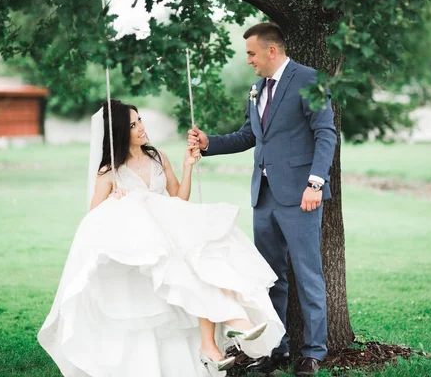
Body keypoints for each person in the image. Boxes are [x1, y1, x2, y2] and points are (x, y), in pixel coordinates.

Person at [37, 100, 284, 377]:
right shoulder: (110, 172)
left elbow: (179, 197)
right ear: (119, 132)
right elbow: (93, 218)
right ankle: (229, 325)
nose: (141, 127)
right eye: (132, 125)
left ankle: (213, 341)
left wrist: (188, 165)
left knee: (206, 256)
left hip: (170, 227)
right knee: (193, 265)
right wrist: (115, 203)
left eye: (140, 120)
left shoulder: (158, 157)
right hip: (144, 242)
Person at [188, 22, 337, 376]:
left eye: (252, 53)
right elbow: (247, 136)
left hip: (302, 197)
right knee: (270, 278)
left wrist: (315, 184)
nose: (249, 61)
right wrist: (210, 144)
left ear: (272, 50)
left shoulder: (309, 80)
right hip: (264, 197)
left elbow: (325, 133)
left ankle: (313, 352)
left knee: (308, 274)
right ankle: (275, 349)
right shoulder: (256, 89)